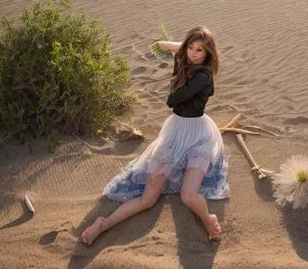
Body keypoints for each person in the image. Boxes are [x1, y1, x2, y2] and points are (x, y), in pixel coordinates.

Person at [81, 26, 229, 246]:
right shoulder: (187, 57)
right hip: (175, 132)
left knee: (188, 196)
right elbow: (180, 48)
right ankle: (103, 224)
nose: (194, 54)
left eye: (200, 50)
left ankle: (208, 219)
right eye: (191, 48)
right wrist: (165, 45)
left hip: (199, 136)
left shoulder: (203, 77)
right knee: (148, 199)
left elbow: (173, 100)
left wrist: (178, 58)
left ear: (208, 54)